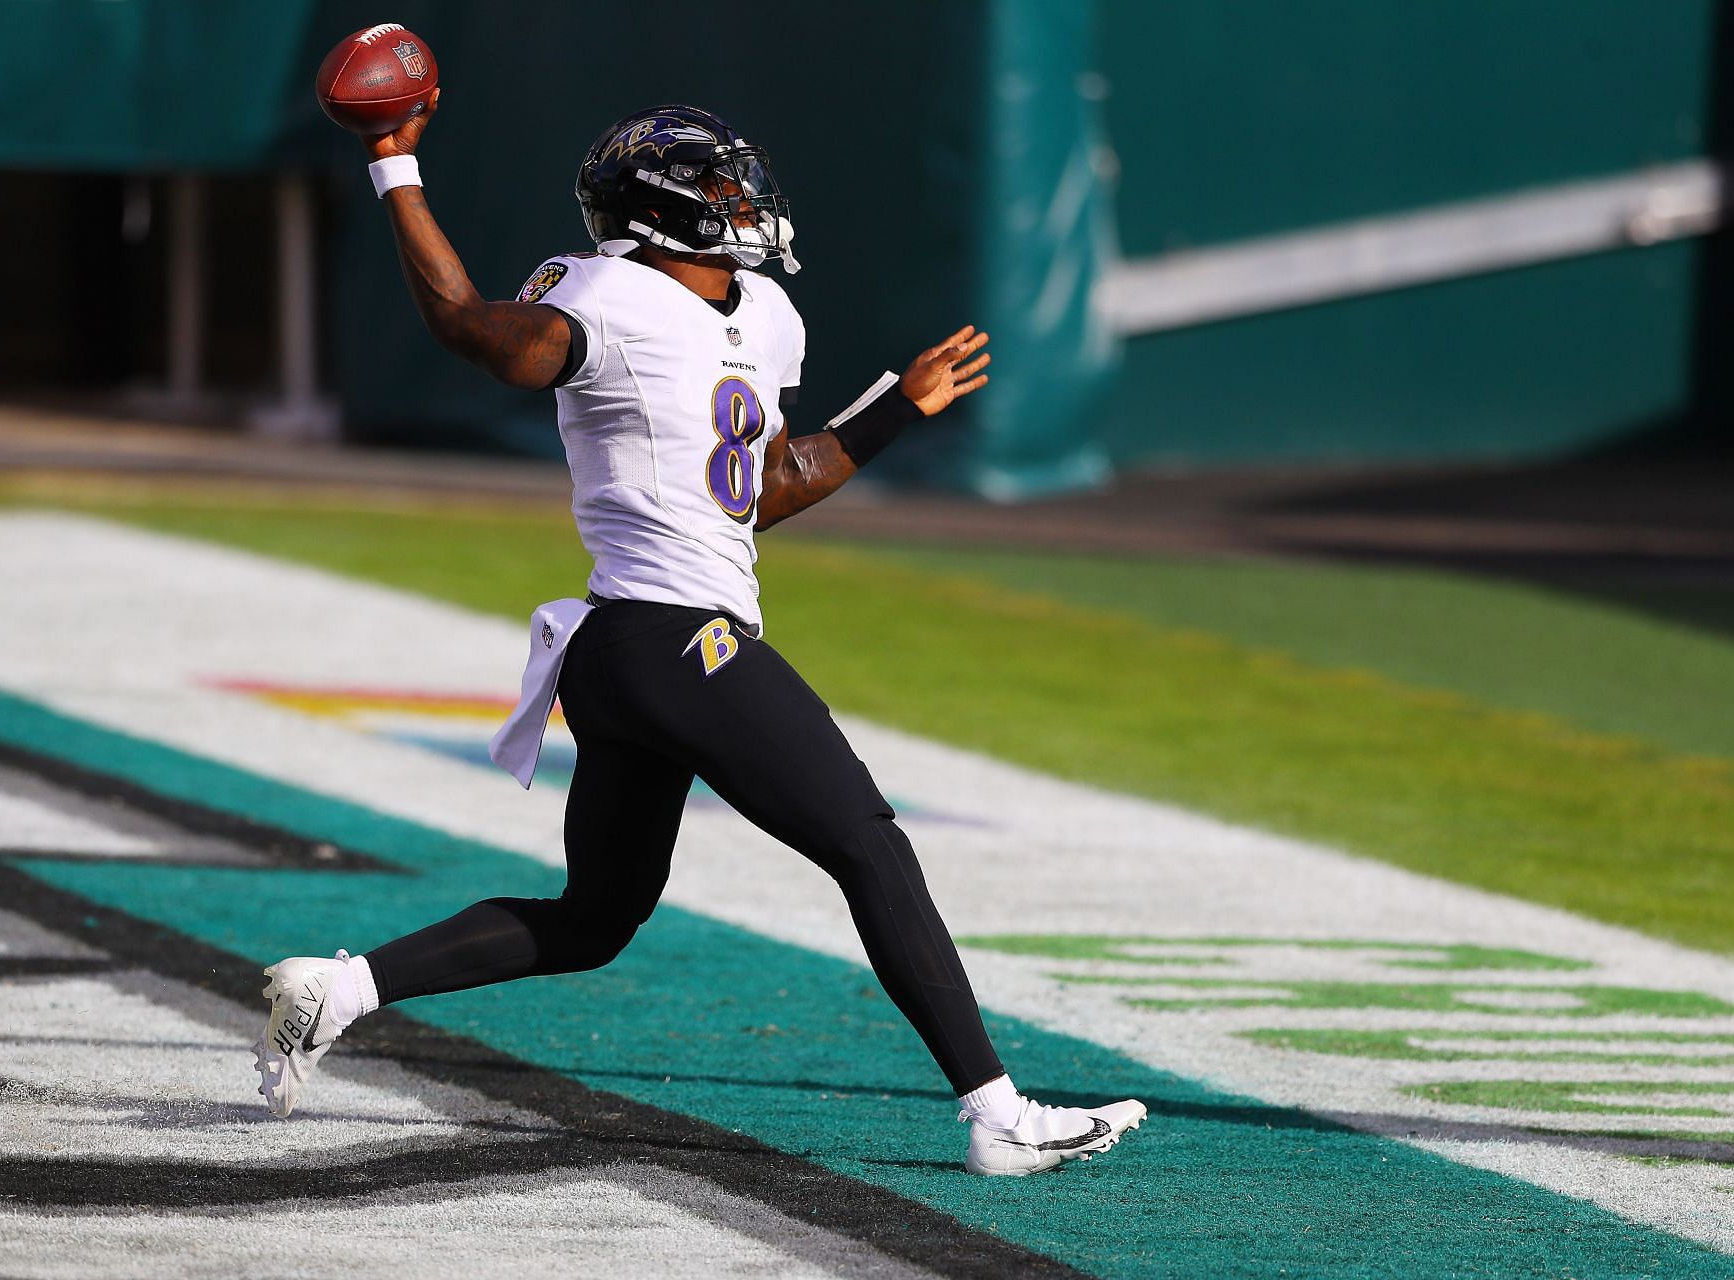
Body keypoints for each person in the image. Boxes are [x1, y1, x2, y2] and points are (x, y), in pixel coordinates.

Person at [254, 96, 1145, 1176]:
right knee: (869, 839)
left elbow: (765, 486)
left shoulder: (764, 315)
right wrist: (394, 164)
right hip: (672, 637)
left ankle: (337, 989)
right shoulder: (602, 294)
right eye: (722, 187)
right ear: (668, 210)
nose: (749, 202)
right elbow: (467, 327)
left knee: (596, 917)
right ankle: (999, 1114)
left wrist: (896, 406)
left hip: (638, 655)